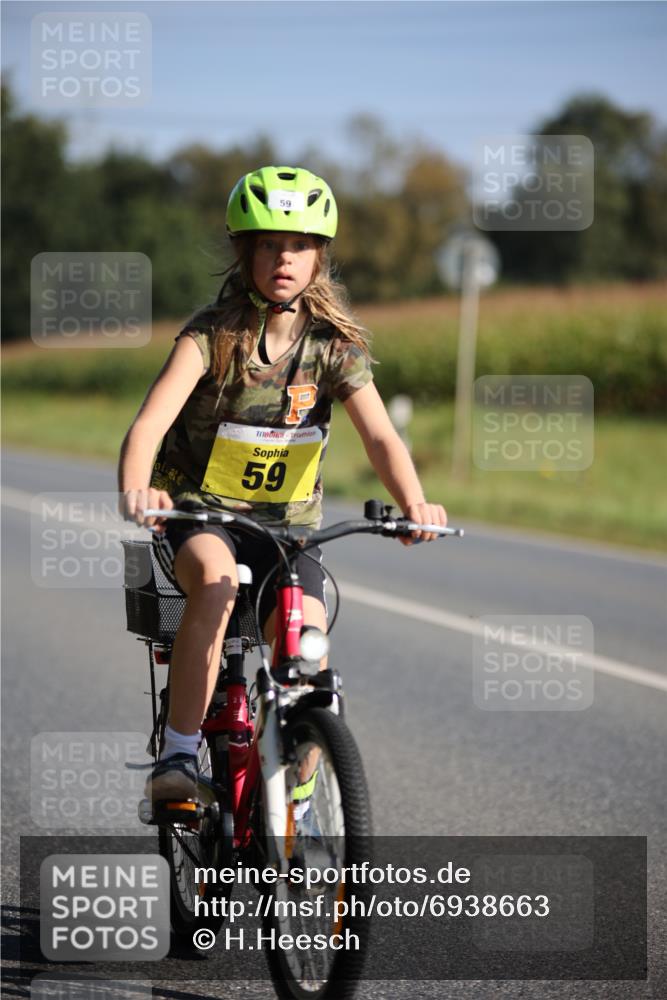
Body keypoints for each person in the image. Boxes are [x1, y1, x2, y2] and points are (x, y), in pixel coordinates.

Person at [118, 165, 447, 803]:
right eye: (268, 243)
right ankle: (179, 757)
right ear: (246, 252)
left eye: (298, 245)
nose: (283, 257)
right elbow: (148, 425)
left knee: (308, 647)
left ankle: (299, 789)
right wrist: (139, 488)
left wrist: (414, 504)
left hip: (287, 529)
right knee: (215, 587)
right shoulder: (210, 338)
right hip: (201, 516)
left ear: (319, 257)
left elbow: (381, 437)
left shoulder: (333, 348)